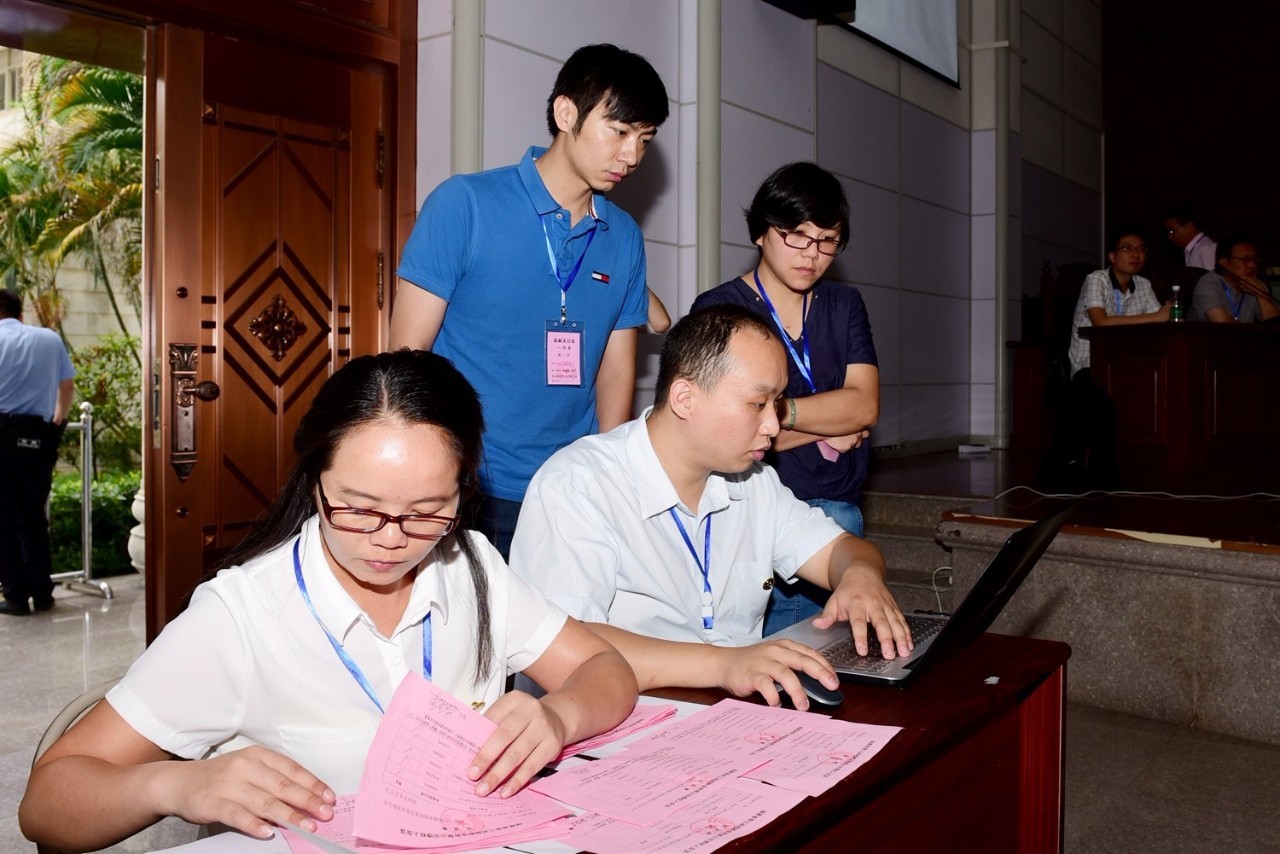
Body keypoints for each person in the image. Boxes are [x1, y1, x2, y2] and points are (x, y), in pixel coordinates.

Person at [19, 350, 637, 852]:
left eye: (427, 512)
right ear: (315, 482)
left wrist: (559, 718)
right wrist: (176, 782)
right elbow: (47, 805)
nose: (392, 541)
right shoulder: (241, 616)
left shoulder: (469, 564)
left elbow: (603, 669)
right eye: (360, 508)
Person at [509, 305, 913, 713]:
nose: (774, 426)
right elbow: (563, 648)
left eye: (777, 403)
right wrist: (725, 664)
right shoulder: (578, 485)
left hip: (731, 718)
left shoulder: (753, 482)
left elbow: (843, 550)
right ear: (685, 399)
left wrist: (861, 577)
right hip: (618, 727)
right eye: (758, 404)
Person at [390, 43, 670, 559]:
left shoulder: (624, 235)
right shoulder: (465, 203)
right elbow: (408, 358)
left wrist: (606, 472)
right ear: (567, 114)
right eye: (620, 131)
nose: (632, 156)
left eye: (645, 139)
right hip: (472, 483)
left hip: (573, 488)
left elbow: (615, 368)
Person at [690, 162, 877, 634]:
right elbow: (719, 437)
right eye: (796, 234)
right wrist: (831, 422)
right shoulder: (719, 311)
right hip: (750, 514)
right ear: (760, 232)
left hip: (836, 510)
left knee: (822, 663)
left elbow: (864, 407)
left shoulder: (844, 304)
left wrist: (778, 412)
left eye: (827, 240)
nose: (811, 254)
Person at [1049, 229, 1168, 491]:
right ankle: (1102, 478)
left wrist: (1163, 316)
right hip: (1089, 367)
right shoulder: (1097, 279)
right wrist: (1157, 316)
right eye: (1127, 248)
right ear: (1112, 256)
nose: (1135, 254)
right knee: (1106, 403)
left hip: (1128, 367)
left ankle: (1146, 468)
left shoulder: (1144, 285)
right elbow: (1100, 322)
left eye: (1141, 249)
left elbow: (1159, 325)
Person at [0, 289, 75, 616]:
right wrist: (56, 425)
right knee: (33, 519)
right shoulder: (48, 339)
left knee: (3, 522)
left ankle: (16, 597)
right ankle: (43, 593)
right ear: (20, 314)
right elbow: (67, 386)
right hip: (36, 438)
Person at [1189, 234, 1280, 323]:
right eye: (1245, 260)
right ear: (1224, 263)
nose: (1252, 265)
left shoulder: (1256, 285)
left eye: (1255, 259)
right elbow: (1222, 325)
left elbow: (1274, 326)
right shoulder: (1208, 284)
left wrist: (1260, 294)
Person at [1163, 205, 1217, 271]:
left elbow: (1215, 280)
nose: (1169, 237)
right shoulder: (1194, 249)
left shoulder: (1205, 249)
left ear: (1190, 226)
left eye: (1172, 231)